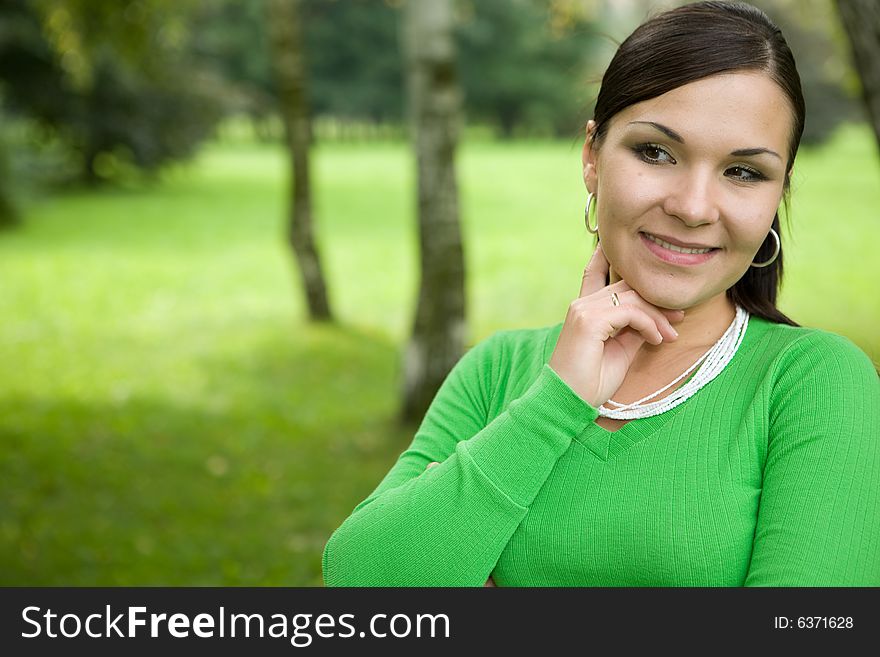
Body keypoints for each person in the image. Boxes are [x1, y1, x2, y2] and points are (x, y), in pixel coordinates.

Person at [321, 1, 880, 586]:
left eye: (743, 172)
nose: (692, 207)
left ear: (777, 193)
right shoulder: (497, 372)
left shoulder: (814, 382)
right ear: (592, 156)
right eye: (656, 152)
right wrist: (557, 403)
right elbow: (362, 583)